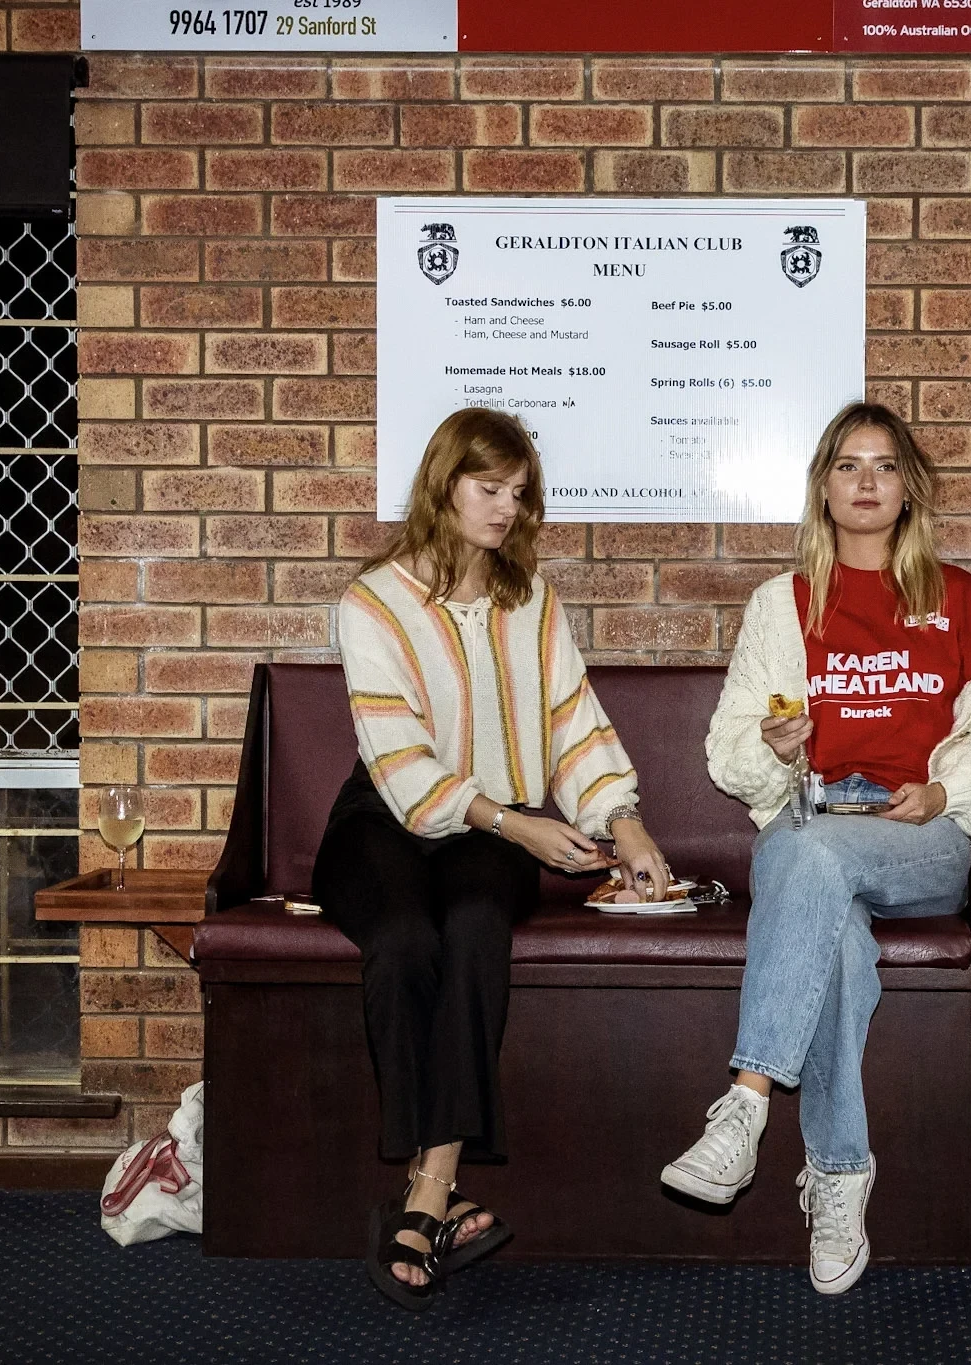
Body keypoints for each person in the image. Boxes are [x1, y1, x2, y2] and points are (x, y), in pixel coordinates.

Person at [661, 401, 971, 1294]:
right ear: (823, 488)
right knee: (828, 924)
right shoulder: (780, 604)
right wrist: (773, 745)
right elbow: (729, 747)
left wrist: (943, 792)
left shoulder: (960, 599)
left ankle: (745, 1101)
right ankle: (838, 1176)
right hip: (815, 827)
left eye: (885, 465)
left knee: (803, 857)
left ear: (909, 489)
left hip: (920, 837)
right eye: (848, 465)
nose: (867, 482)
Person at [318, 406, 671, 1310]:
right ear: (444, 484)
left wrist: (624, 822)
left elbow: (573, 719)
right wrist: (516, 824)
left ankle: (428, 1186)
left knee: (477, 924)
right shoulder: (371, 602)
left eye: (519, 491)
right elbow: (399, 760)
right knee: (403, 940)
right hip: (384, 819)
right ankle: (438, 1189)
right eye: (489, 487)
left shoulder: (532, 599)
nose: (507, 506)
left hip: (494, 831)